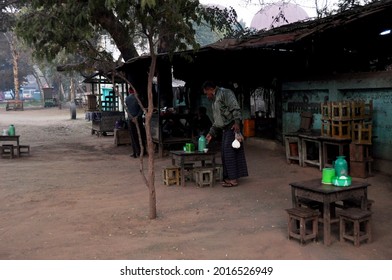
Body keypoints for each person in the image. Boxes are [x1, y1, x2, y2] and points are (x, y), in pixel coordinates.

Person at [202, 81, 248, 187]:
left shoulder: (225, 93)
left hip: (232, 127)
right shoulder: (214, 101)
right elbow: (217, 121)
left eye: (206, 93)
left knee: (229, 153)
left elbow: (235, 107)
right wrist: (211, 133)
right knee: (224, 153)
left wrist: (237, 122)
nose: (206, 96)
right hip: (225, 129)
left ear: (210, 89)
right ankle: (228, 178)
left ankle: (233, 180)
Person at [125, 88, 146, 158]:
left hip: (131, 120)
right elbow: (142, 110)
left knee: (133, 137)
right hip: (138, 119)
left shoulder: (127, 99)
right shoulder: (139, 98)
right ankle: (142, 151)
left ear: (129, 91)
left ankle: (135, 152)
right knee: (140, 135)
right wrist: (137, 117)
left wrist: (132, 118)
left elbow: (127, 110)